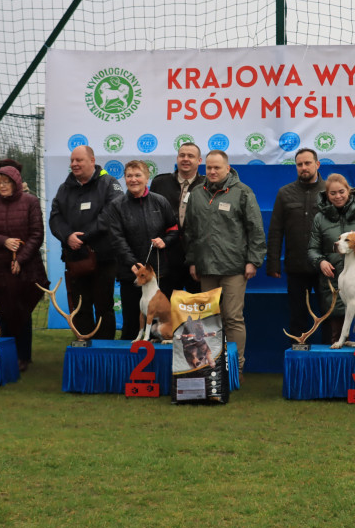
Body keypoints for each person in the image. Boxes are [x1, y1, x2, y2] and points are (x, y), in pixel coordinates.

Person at [185, 150, 266, 371]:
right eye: (208, 168)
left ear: (227, 168)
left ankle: (236, 368)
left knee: (232, 318)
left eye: (217, 168)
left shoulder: (242, 192)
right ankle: (210, 368)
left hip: (234, 268)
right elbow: (190, 231)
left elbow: (256, 229)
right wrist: (193, 261)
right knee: (208, 321)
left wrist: (253, 261)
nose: (212, 171)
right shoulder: (197, 194)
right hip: (206, 268)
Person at [49, 145, 123, 340]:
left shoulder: (109, 184)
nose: (74, 164)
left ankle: (105, 349)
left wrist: (82, 237)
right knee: (80, 306)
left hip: (103, 258)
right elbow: (55, 218)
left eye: (79, 160)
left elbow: (110, 215)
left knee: (103, 306)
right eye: (72, 160)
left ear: (92, 161)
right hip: (75, 259)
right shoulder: (64, 188)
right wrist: (67, 237)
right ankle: (84, 347)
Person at [102, 160, 179, 340]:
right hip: (131, 275)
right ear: (125, 179)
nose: (133, 179)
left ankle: (160, 364)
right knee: (131, 322)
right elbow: (117, 238)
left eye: (138, 175)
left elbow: (174, 229)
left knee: (160, 323)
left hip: (158, 275)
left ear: (147, 178)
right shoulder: (116, 205)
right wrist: (132, 263)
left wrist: (164, 241)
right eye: (129, 176)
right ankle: (128, 364)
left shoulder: (160, 201)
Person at [0, 165, 48, 372]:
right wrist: (4, 241)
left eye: (6, 182)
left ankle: (23, 357)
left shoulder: (31, 202)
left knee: (22, 312)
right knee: (3, 311)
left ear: (16, 182)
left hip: (26, 268)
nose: (2, 186)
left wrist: (20, 259)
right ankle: (6, 355)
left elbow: (37, 234)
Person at [307, 174, 355, 344]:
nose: (338, 196)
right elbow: (313, 249)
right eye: (333, 193)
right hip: (335, 286)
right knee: (336, 339)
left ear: (348, 191)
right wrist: (320, 261)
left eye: (341, 192)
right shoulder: (320, 218)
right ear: (327, 195)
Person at [267, 148, 328, 338]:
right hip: (296, 268)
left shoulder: (330, 191)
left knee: (330, 315)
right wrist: (273, 263)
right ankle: (298, 356)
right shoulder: (285, 193)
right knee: (297, 317)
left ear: (317, 165)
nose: (303, 168)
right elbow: (276, 231)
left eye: (308, 163)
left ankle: (329, 358)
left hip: (326, 267)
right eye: (299, 164)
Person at [150, 142, 205, 296]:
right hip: (167, 257)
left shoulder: (207, 185)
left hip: (198, 257)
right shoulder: (160, 183)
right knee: (166, 309)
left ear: (199, 161)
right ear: (177, 158)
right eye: (182, 155)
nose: (185, 159)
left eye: (190, 156)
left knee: (199, 310)